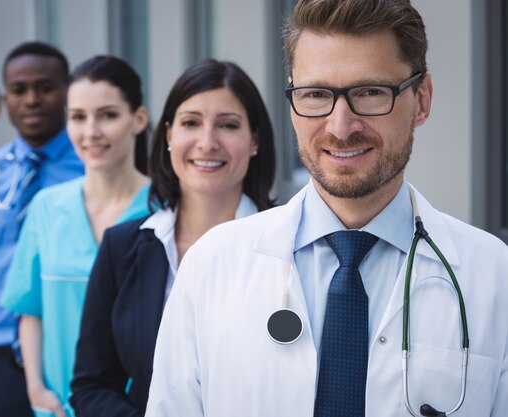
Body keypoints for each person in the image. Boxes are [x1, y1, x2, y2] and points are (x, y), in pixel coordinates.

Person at [145, 1, 508, 416]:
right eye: (316, 95)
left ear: (421, 100)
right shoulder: (211, 265)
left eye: (371, 93)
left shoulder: (495, 277)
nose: (341, 127)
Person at [70, 59, 277, 417]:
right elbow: (92, 385)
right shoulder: (122, 248)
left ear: (255, 140)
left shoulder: (289, 246)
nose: (207, 142)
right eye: (190, 123)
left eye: (227, 125)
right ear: (168, 135)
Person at [0, 55, 153, 417]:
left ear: (139, 119)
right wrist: (36, 389)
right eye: (78, 117)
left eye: (108, 115)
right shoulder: (46, 208)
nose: (90, 131)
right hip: (58, 408)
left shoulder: (164, 211)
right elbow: (31, 311)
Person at [0, 42, 84, 417]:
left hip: (70, 358)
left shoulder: (93, 169)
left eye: (45, 87)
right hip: (1, 361)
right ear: (5, 97)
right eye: (19, 89)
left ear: (66, 92)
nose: (31, 100)